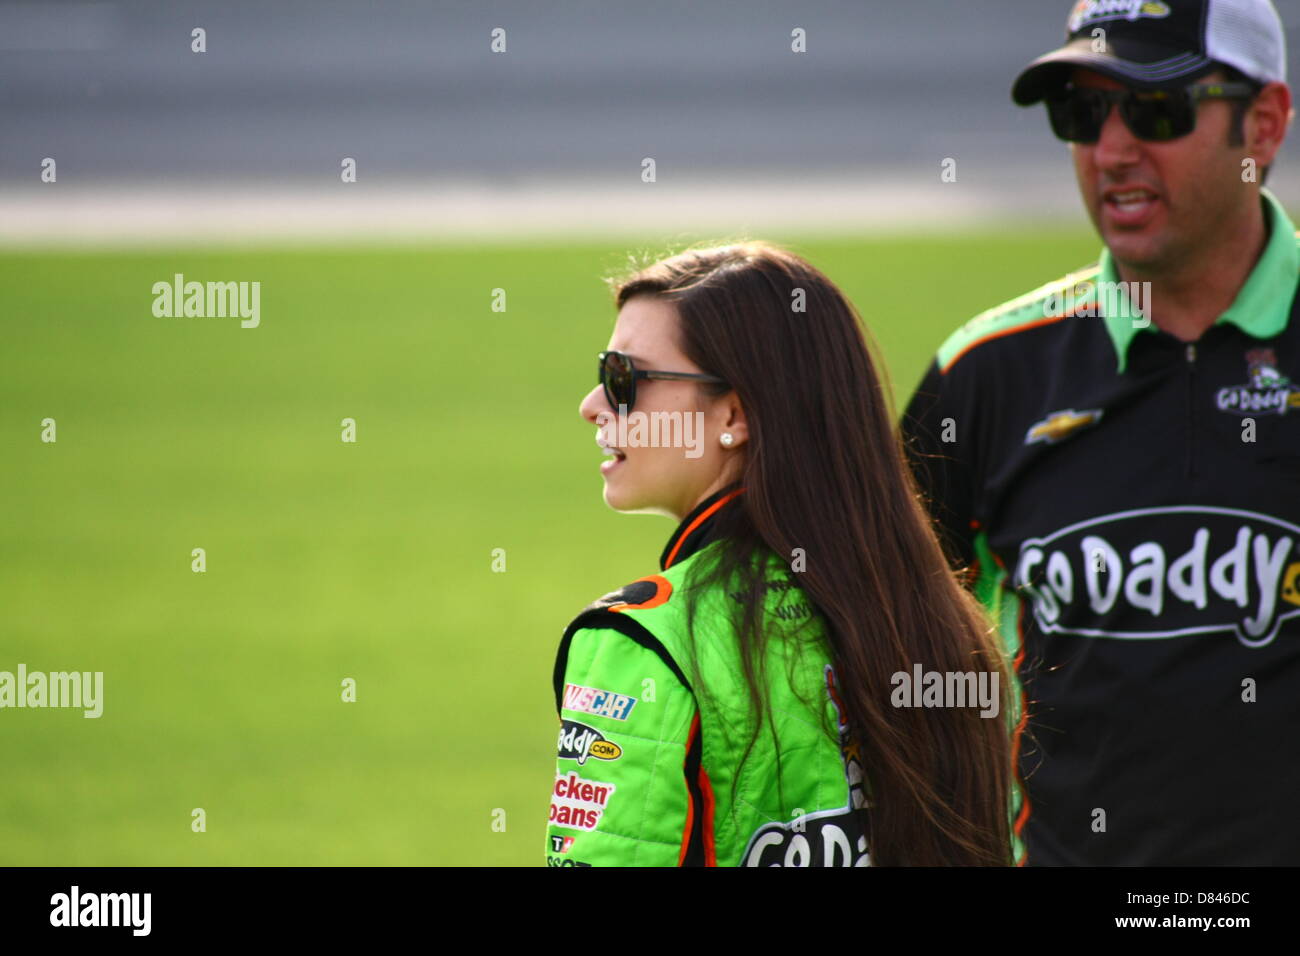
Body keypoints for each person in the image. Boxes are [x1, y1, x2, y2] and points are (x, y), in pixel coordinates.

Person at [900, 0, 1297, 865]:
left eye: (1158, 109)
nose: (1113, 150)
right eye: (1081, 111)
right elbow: (880, 652)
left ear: (1263, 125)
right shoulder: (987, 374)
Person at [545, 241, 1017, 867]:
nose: (593, 406)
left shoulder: (642, 644)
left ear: (734, 414)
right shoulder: (943, 622)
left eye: (623, 379)